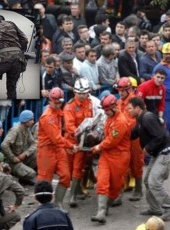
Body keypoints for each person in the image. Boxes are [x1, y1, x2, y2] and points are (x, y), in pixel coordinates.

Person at [129, 97, 170, 221]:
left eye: (129, 108)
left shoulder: (147, 118)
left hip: (166, 154)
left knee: (154, 182)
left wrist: (148, 148)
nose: (127, 111)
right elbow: (133, 134)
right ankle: (155, 208)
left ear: (138, 108)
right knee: (147, 181)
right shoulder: (140, 119)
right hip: (159, 154)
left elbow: (160, 136)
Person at [90, 94, 130, 224]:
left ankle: (106, 207)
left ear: (114, 108)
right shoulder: (110, 118)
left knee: (115, 186)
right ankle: (101, 212)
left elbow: (112, 141)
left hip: (119, 156)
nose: (105, 113)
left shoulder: (120, 122)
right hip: (107, 155)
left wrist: (98, 147)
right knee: (102, 181)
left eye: (107, 110)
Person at [37, 87, 78, 211]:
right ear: (50, 101)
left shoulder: (59, 112)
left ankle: (58, 204)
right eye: (56, 102)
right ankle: (43, 207)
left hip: (58, 149)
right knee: (45, 180)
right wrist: (71, 146)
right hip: (46, 150)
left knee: (65, 176)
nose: (58, 104)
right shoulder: (47, 117)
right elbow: (56, 138)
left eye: (60, 102)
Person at [63, 78, 93, 208]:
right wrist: (79, 133)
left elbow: (91, 120)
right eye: (79, 93)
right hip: (71, 141)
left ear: (88, 92)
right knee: (69, 169)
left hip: (83, 142)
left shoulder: (90, 103)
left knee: (78, 167)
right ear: (75, 93)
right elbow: (69, 126)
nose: (82, 95)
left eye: (84, 93)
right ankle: (77, 189)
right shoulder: (69, 106)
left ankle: (73, 196)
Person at [1, 110, 37, 185]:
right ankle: (19, 175)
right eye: (31, 120)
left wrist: (25, 154)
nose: (33, 122)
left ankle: (23, 178)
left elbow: (34, 144)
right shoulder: (15, 130)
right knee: (32, 174)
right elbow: (4, 145)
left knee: (38, 153)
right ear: (25, 120)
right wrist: (13, 158)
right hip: (11, 161)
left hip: (20, 157)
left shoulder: (26, 129)